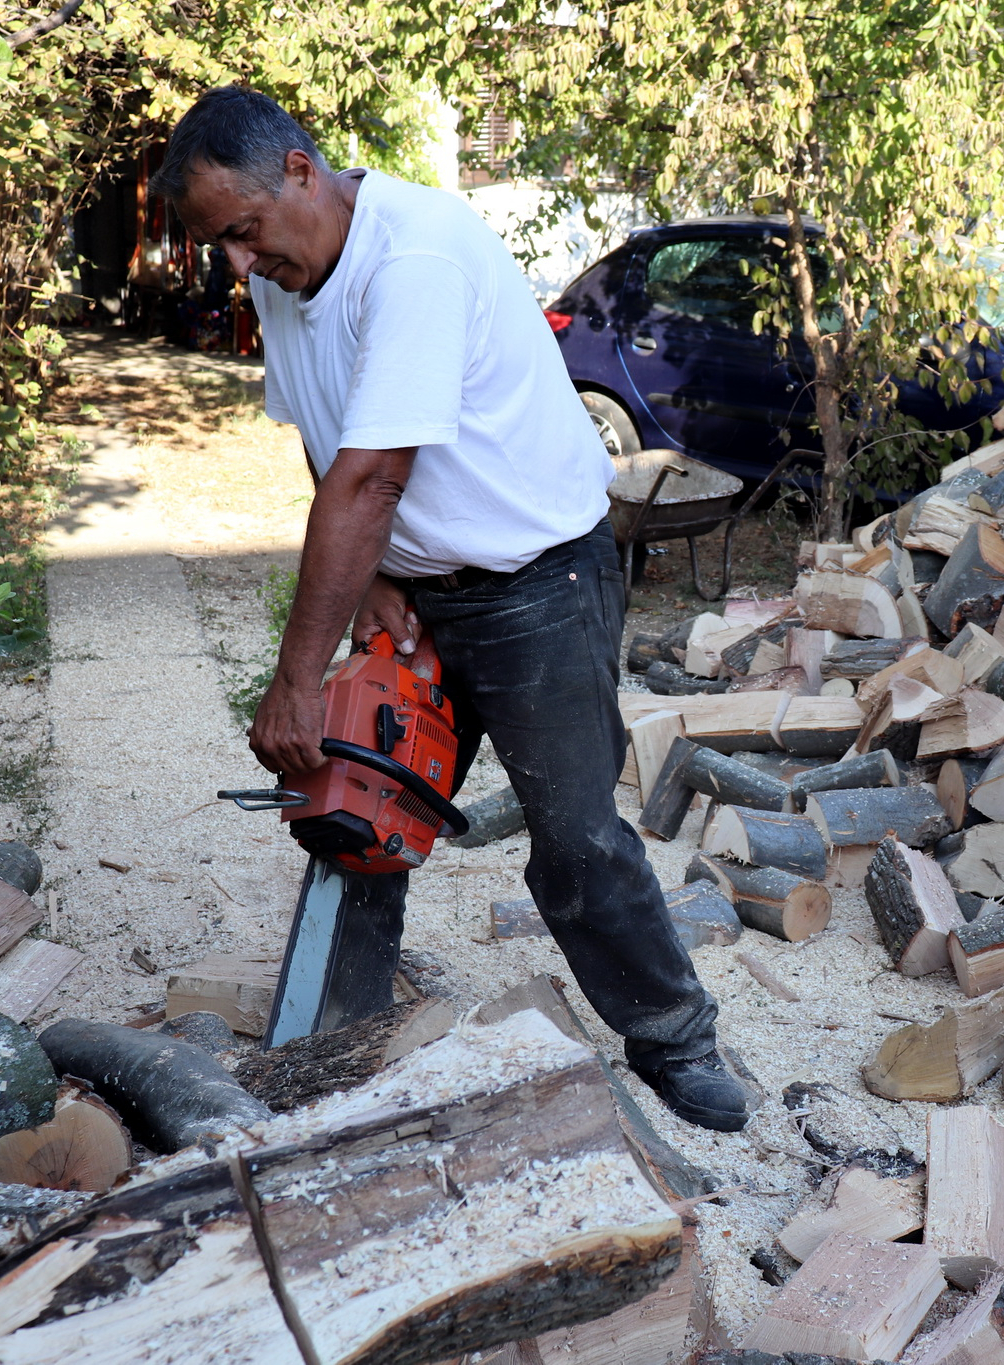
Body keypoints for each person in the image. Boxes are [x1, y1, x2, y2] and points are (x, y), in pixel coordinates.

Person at [149, 86, 749, 1132]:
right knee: (357, 801)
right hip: (414, 580)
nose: (237, 266)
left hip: (535, 580)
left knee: (573, 837)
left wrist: (295, 679)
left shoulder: (413, 257)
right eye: (219, 247)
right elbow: (324, 439)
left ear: (299, 169)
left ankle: (672, 1039)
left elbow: (369, 480)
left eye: (239, 234)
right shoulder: (282, 276)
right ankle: (332, 1039)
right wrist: (375, 584)